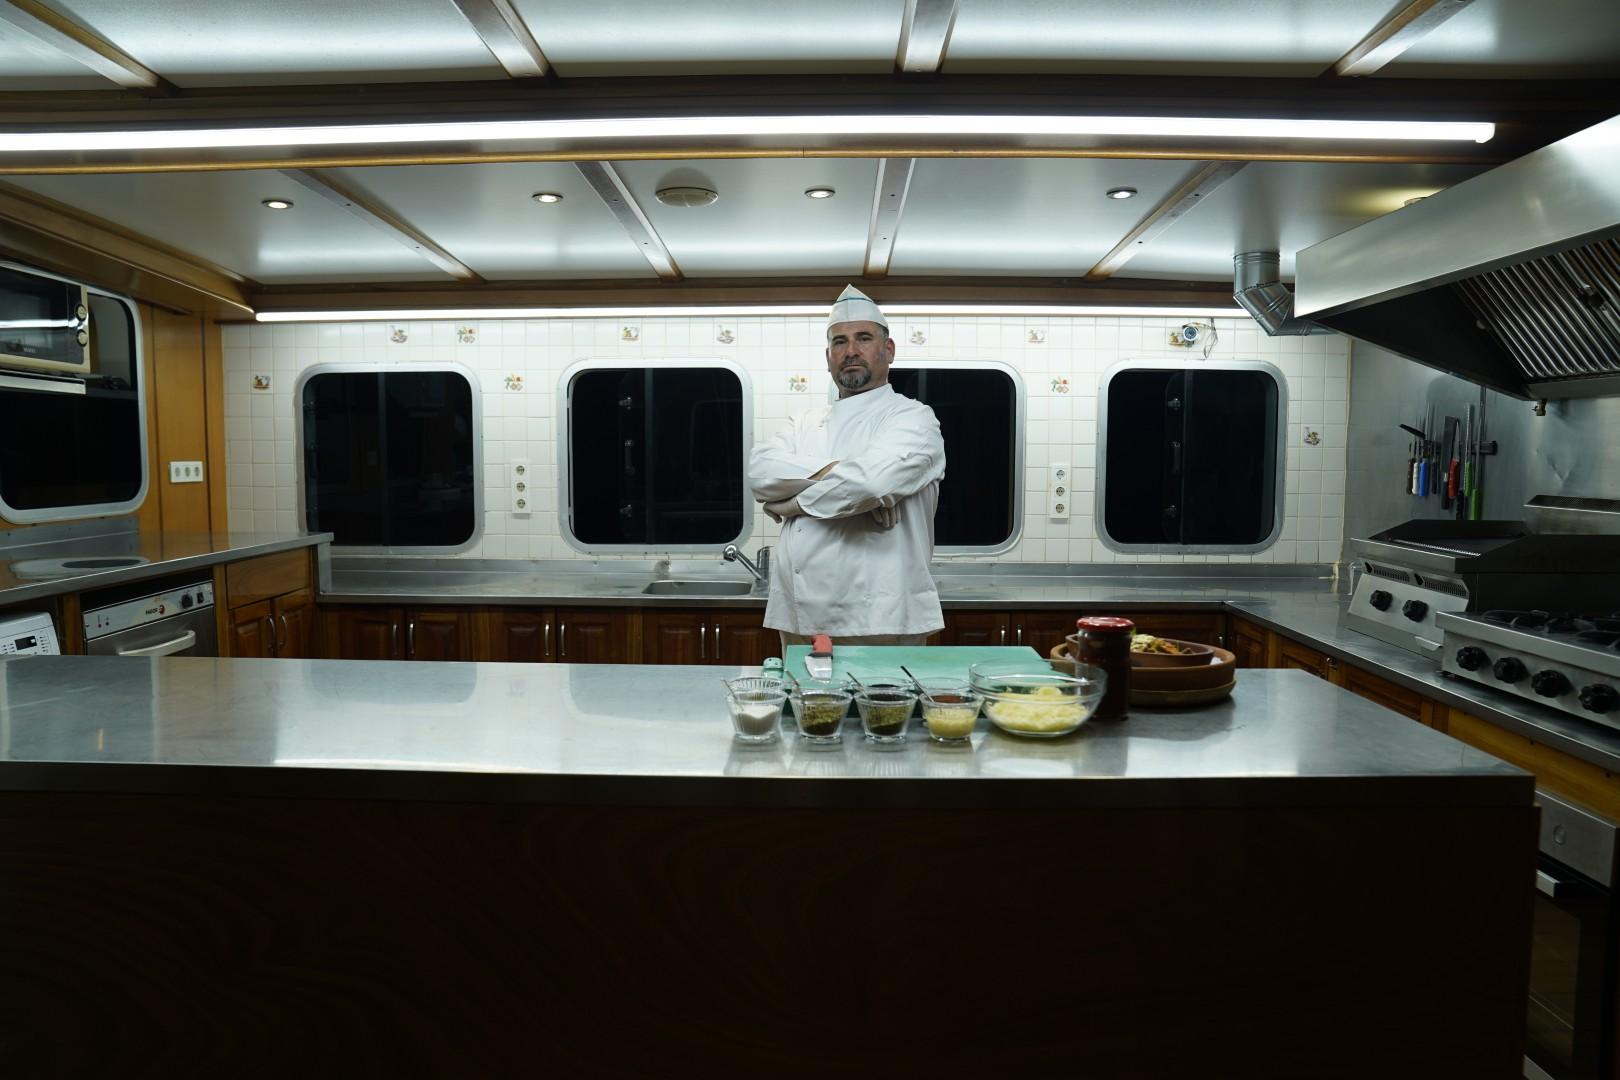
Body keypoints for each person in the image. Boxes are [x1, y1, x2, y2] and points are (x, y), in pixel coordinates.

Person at [748, 285, 946, 654]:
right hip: (797, 615)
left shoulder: (913, 417)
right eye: (839, 342)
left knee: (885, 713)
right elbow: (760, 472)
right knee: (807, 712)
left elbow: (869, 483)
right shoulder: (803, 420)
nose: (851, 351)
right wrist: (846, 478)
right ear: (828, 357)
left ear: (888, 351)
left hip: (881, 615)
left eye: (863, 338)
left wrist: (790, 504)